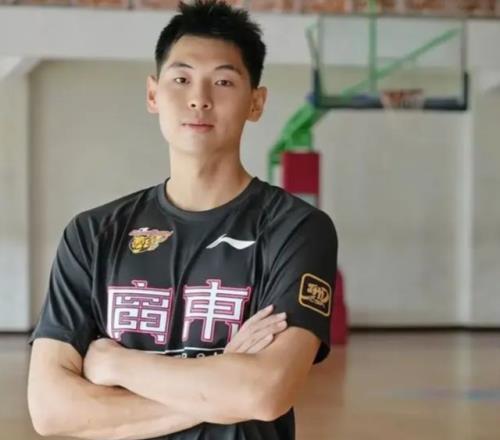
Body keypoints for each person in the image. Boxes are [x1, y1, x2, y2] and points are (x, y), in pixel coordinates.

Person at [27, 1, 338, 439]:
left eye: (224, 81)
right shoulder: (92, 234)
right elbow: (51, 410)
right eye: (181, 79)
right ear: (153, 95)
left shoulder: (296, 229)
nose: (199, 98)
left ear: (256, 102)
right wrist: (224, 381)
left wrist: (118, 364)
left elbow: (265, 392)